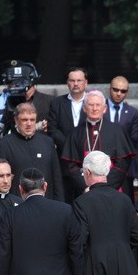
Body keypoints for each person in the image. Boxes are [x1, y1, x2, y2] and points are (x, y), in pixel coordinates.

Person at [60, 90, 134, 196]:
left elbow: (122, 164)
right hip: (84, 191)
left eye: (98, 105)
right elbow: (72, 166)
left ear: (104, 109)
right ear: (84, 108)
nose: (94, 108)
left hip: (111, 190)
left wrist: (105, 185)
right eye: (91, 105)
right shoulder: (75, 133)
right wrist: (86, 186)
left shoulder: (117, 131)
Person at [0, 102, 64, 201]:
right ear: (16, 120)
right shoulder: (4, 144)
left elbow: (56, 178)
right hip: (17, 205)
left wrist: (59, 204)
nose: (29, 124)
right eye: (24, 120)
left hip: (46, 203)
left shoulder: (48, 142)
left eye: (32, 120)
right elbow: (0, 179)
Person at [47, 67, 88, 203]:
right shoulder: (57, 103)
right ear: (67, 83)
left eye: (79, 80)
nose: (75, 83)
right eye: (72, 80)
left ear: (85, 83)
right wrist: (69, 146)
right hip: (63, 161)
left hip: (86, 161)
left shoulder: (93, 103)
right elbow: (52, 129)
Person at [104, 75, 138, 202]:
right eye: (115, 89)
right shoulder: (99, 108)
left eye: (123, 91)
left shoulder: (132, 112)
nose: (119, 93)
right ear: (109, 89)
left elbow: (134, 139)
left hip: (123, 166)